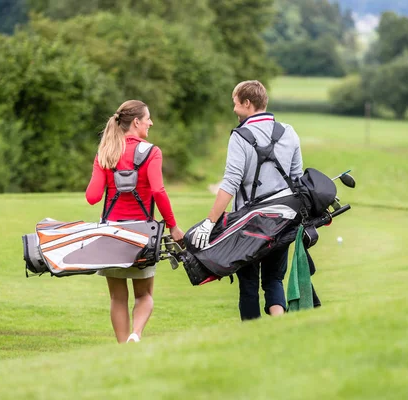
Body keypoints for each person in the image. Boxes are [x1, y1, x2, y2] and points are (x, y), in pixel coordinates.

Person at [191, 80, 303, 321]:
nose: (234, 109)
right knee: (274, 279)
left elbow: (230, 182)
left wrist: (210, 222)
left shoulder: (240, 136)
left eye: (235, 104)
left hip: (248, 226)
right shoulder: (289, 132)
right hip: (283, 220)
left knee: (249, 285)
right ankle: (279, 327)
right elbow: (297, 181)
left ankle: (253, 338)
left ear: (247, 103)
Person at [86, 100, 184, 343]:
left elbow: (92, 197)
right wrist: (172, 225)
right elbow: (159, 191)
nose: (151, 122)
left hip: (111, 234)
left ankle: (122, 348)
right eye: (148, 118)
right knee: (144, 295)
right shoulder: (152, 152)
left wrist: (101, 166)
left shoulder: (106, 152)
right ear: (137, 122)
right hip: (143, 235)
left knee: (117, 298)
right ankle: (136, 334)